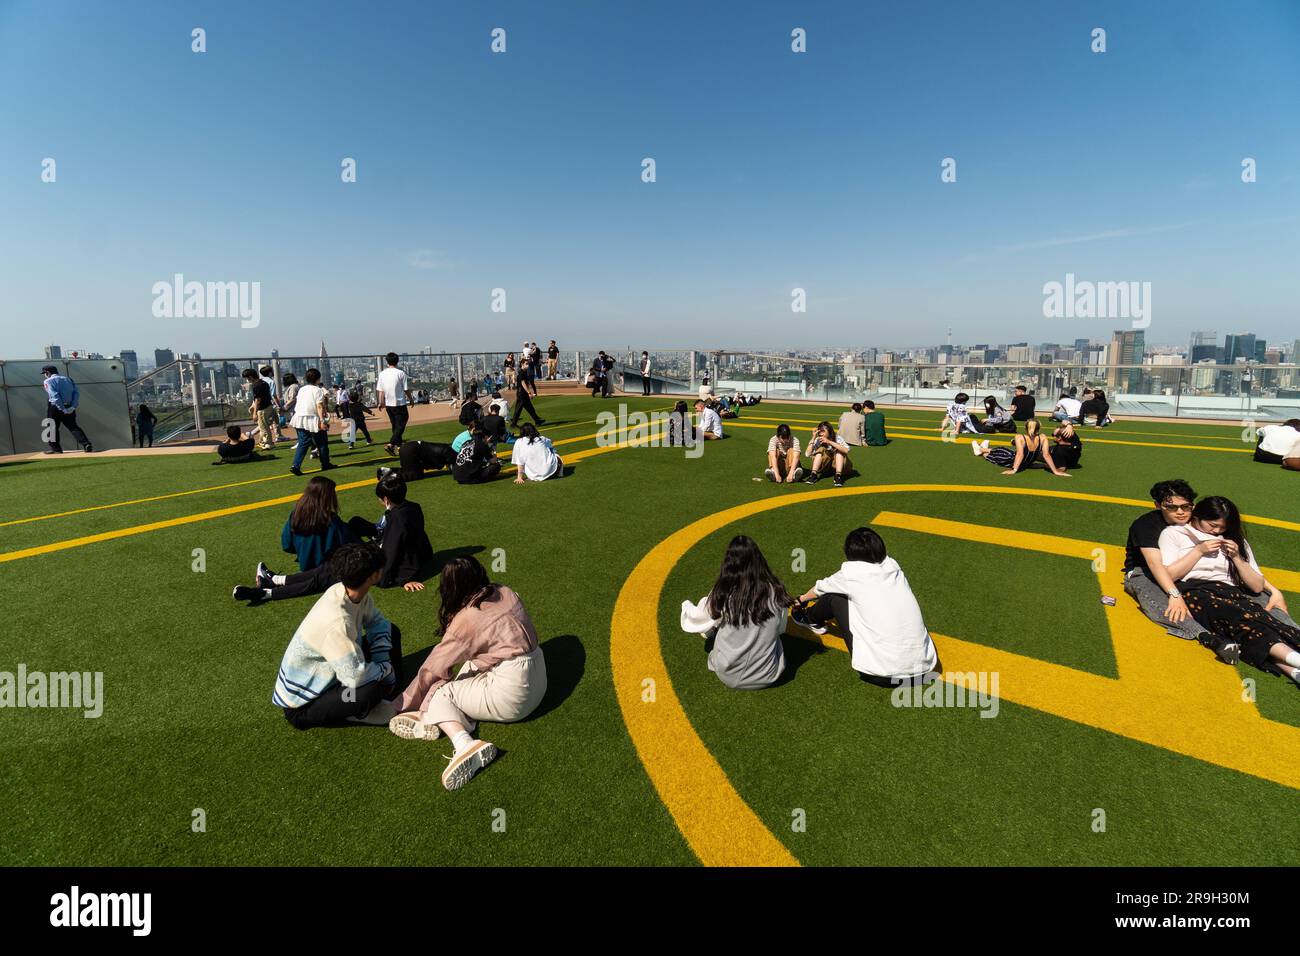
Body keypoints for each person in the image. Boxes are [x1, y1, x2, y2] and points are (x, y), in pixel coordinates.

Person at [380, 555, 548, 791]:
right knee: (468, 667)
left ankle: (464, 743)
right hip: (538, 676)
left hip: (513, 695)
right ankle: (430, 716)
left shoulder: (468, 618)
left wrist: (401, 703)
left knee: (444, 693)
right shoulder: (505, 591)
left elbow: (434, 667)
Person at [1159, 496, 1300, 684]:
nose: (1217, 531)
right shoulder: (1174, 534)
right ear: (1196, 516)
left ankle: (1294, 672)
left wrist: (1236, 558)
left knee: (1267, 624)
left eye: (1223, 527)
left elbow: (1257, 586)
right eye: (1212, 525)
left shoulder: (1234, 540)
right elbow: (1170, 574)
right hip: (1195, 591)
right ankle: (1295, 661)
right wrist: (1198, 551)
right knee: (1239, 619)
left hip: (1231, 591)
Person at [271, 543, 404, 730]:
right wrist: (385, 671)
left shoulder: (349, 591)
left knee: (391, 631)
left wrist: (383, 661)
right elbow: (354, 678)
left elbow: (377, 622)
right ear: (374, 576)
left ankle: (381, 692)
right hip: (305, 704)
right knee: (367, 692)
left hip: (334, 672)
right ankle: (358, 709)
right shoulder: (337, 622)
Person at [790, 527, 940, 685]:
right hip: (924, 668)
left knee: (835, 598)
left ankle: (808, 618)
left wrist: (801, 599)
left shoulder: (851, 574)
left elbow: (821, 588)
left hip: (881, 674)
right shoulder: (894, 568)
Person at [679, 535, 792, 689]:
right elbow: (780, 629)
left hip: (729, 674)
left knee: (714, 618)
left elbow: (696, 619)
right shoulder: (776, 589)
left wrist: (686, 606)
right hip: (769, 674)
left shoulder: (724, 592)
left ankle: (715, 628)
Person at [345, 472, 433, 589]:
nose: (379, 500)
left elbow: (391, 550)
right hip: (417, 551)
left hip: (406, 560)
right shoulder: (413, 506)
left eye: (380, 498)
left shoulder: (397, 519)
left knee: (356, 556)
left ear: (386, 500)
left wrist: (383, 579)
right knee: (356, 523)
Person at [280, 476, 355, 571]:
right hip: (329, 573)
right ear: (326, 496)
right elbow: (350, 544)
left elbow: (287, 545)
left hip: (306, 573)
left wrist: (305, 551)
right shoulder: (331, 520)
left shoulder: (295, 515)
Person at [970, 419, 1069, 477]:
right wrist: (1055, 471)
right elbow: (1046, 455)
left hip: (1013, 461)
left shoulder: (1020, 437)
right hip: (1027, 463)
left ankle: (980, 450)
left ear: (1026, 428)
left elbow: (1020, 454)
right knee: (1002, 450)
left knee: (993, 455)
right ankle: (983, 448)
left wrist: (1014, 469)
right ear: (1038, 428)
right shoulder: (1043, 437)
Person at [289, 368, 334, 477]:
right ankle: (325, 463)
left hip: (299, 417)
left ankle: (296, 465)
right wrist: (322, 421)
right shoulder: (318, 390)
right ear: (318, 379)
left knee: (303, 442)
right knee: (322, 442)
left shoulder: (302, 389)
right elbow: (319, 406)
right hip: (312, 418)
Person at [376, 351, 412, 454]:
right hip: (399, 403)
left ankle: (399, 445)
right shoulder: (400, 373)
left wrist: (380, 402)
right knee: (401, 424)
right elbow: (406, 389)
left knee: (395, 425)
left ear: (387, 361)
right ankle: (391, 444)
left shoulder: (382, 373)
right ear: (397, 361)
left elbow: (381, 390)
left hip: (388, 404)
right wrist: (411, 399)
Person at [382, 440, 456, 482]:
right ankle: (393, 477)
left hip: (410, 448)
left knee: (408, 471)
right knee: (416, 475)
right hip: (412, 450)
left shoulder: (446, 449)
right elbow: (455, 464)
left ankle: (388, 471)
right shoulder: (448, 451)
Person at [804, 421, 850, 487]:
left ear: (829, 431)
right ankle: (813, 474)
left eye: (823, 431)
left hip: (839, 467)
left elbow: (846, 450)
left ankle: (838, 476)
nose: (820, 434)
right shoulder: (818, 439)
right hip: (825, 468)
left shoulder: (837, 438)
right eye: (819, 431)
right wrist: (813, 437)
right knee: (821, 449)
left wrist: (829, 442)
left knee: (839, 451)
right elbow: (807, 454)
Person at [243, 368, 276, 451]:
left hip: (262, 409)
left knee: (264, 427)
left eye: (247, 378)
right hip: (268, 406)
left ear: (250, 377)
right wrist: (253, 407)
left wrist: (254, 413)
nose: (247, 380)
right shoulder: (264, 383)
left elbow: (258, 399)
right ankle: (263, 442)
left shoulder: (256, 385)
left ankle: (268, 443)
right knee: (264, 426)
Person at [260, 365, 284, 442]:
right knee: (273, 420)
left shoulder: (261, 381)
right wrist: (279, 405)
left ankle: (279, 435)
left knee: (266, 421)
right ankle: (278, 436)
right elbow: (273, 395)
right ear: (270, 372)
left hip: (263, 404)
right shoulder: (271, 381)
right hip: (271, 404)